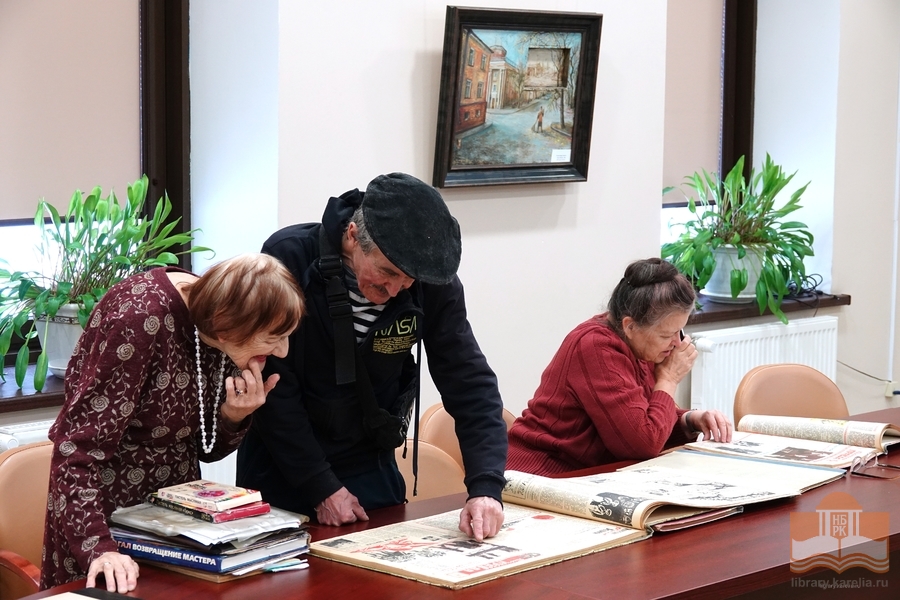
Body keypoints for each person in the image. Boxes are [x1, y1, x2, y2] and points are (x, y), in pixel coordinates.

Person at [236, 172, 507, 542]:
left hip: (370, 457)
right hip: (284, 463)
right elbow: (274, 387)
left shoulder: (430, 281)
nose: (395, 289)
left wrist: (486, 487)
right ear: (352, 235)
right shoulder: (290, 256)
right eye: (386, 272)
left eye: (407, 281)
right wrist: (320, 486)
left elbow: (469, 381)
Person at [40, 254, 305, 593]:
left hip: (172, 526)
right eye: (273, 338)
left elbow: (204, 449)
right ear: (225, 327)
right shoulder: (138, 318)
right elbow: (73, 449)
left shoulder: (225, 323)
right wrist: (99, 548)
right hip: (101, 517)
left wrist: (232, 415)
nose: (282, 351)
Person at [507, 257, 732, 476]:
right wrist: (669, 379)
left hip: (590, 473)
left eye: (679, 332)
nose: (677, 343)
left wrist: (690, 420)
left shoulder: (640, 344)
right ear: (630, 326)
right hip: (540, 474)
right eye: (666, 335)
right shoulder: (596, 346)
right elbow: (644, 443)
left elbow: (642, 419)